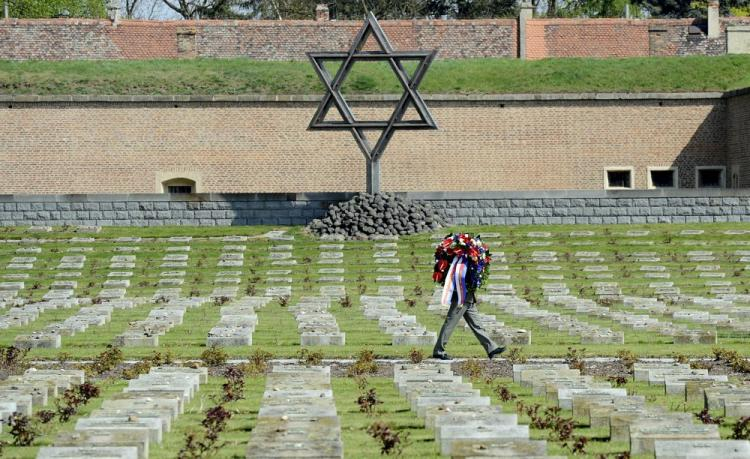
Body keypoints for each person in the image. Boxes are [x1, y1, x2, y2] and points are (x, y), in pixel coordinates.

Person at [432, 233, 505, 361]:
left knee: (477, 324)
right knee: (451, 321)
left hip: (468, 296)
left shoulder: (468, 261)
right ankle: (439, 350)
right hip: (461, 295)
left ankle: (491, 348)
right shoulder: (460, 262)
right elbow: (460, 276)